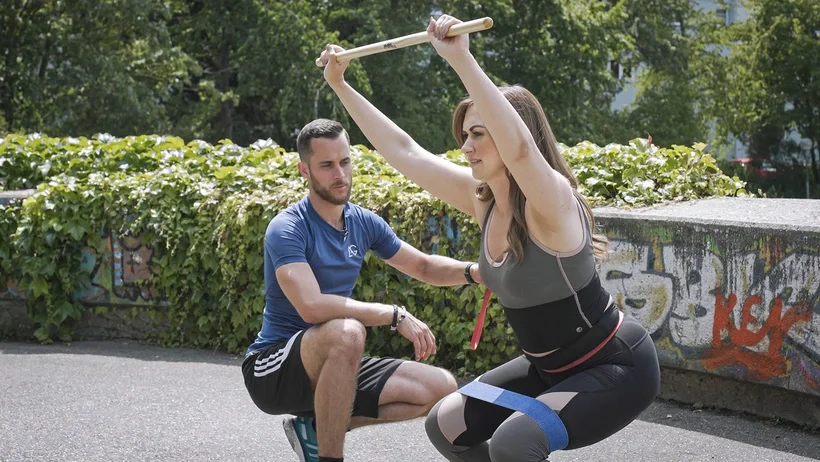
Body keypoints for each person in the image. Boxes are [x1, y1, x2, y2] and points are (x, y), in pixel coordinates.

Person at [318, 13, 661, 462]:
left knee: (514, 442)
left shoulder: (553, 204)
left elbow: (520, 150)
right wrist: (341, 84)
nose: (466, 146)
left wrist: (460, 59)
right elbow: (405, 151)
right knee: (446, 424)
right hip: (546, 368)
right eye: (465, 135)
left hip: (615, 366)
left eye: (479, 134)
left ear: (510, 132)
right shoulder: (485, 200)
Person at [242, 117, 485, 462]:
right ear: (304, 170)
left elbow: (422, 266)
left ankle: (315, 428)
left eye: (345, 161)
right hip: (273, 369)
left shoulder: (362, 222)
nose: (340, 174)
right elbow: (311, 306)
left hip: (335, 362)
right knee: (348, 332)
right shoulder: (288, 227)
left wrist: (476, 273)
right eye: (327, 165)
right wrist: (393, 314)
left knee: (440, 387)